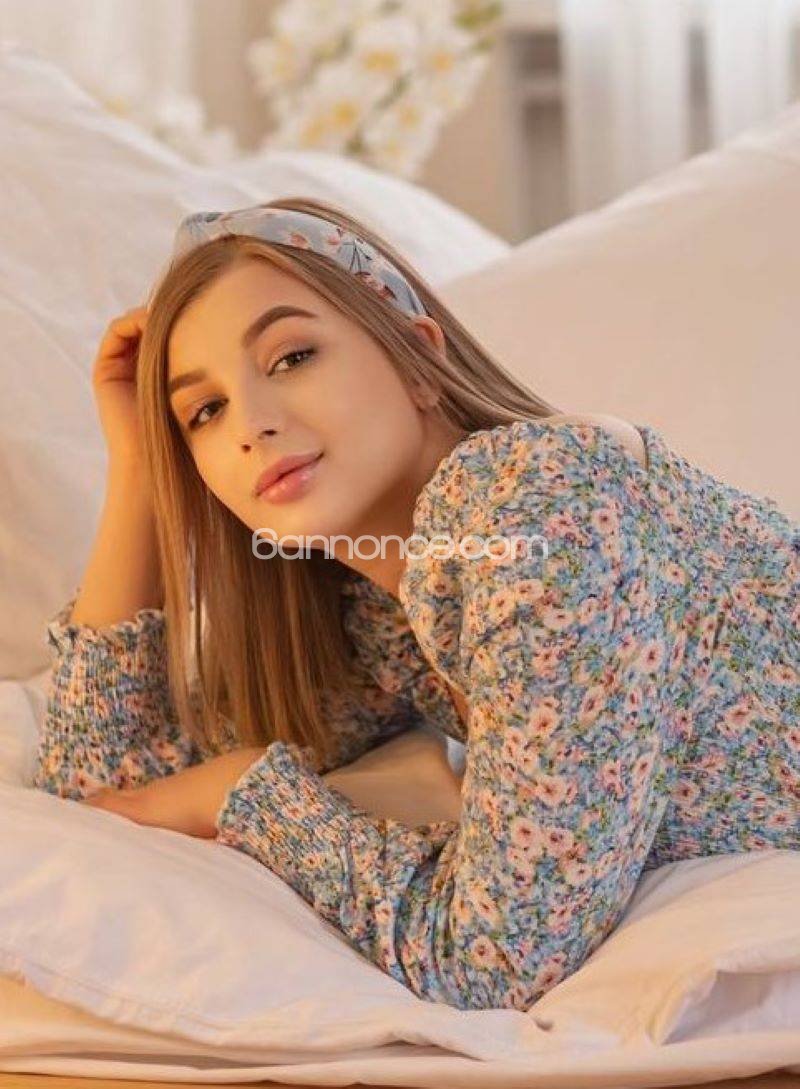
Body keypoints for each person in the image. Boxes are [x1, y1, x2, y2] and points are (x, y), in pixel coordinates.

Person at [33, 197, 800, 1013]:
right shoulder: (379, 615)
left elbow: (498, 955)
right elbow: (110, 792)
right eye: (205, 411)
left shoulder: (542, 505)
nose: (251, 424)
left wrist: (247, 795)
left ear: (419, 361)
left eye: (292, 357)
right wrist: (140, 468)